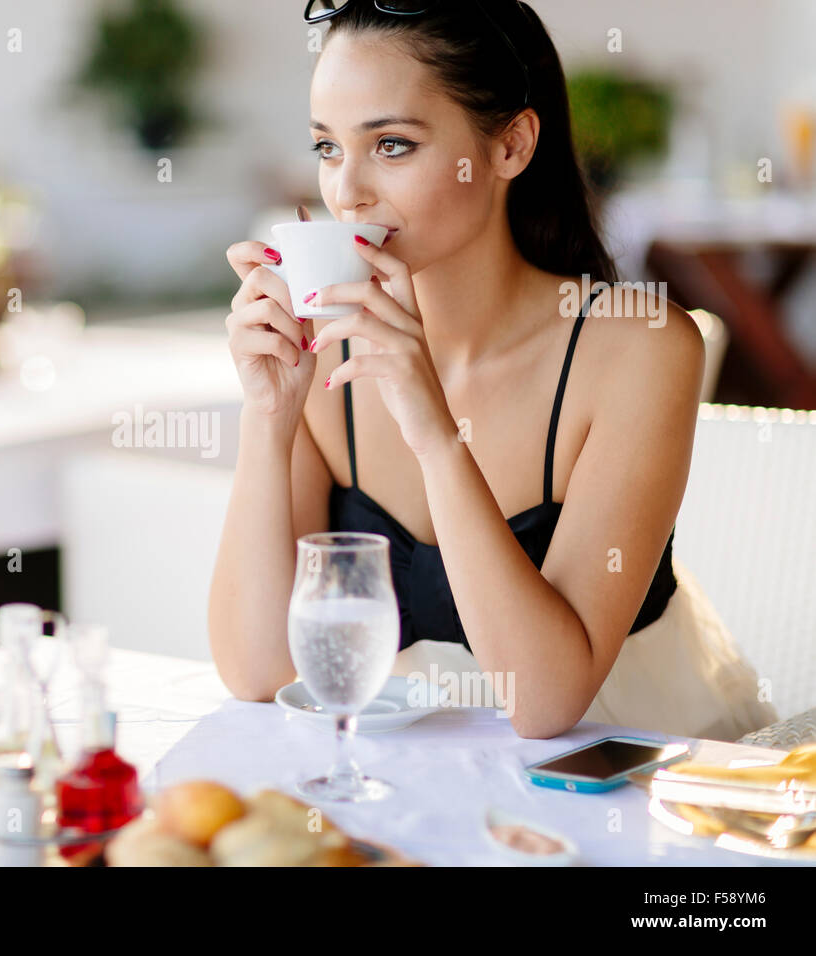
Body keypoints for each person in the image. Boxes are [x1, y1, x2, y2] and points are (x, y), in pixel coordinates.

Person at [208, 0, 777, 742]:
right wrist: (269, 416)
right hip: (420, 764)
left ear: (509, 147)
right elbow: (258, 671)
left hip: (624, 773)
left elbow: (544, 704)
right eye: (327, 148)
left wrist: (436, 435)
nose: (346, 192)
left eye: (392, 146)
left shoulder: (639, 349)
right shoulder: (325, 353)